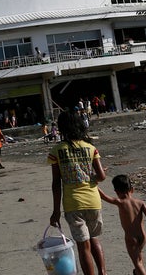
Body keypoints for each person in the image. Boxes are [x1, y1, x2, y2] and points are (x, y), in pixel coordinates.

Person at [48, 110, 107, 275]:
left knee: (83, 247)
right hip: (93, 201)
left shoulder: (57, 151)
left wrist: (55, 212)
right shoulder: (90, 148)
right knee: (94, 239)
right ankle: (103, 272)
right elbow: (101, 176)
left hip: (73, 204)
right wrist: (91, 178)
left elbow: (56, 183)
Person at [99, 174, 146, 275]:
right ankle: (137, 273)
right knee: (139, 259)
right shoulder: (140, 203)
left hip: (131, 239)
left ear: (116, 191)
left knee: (137, 263)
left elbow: (104, 196)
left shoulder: (119, 202)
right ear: (132, 189)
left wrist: (94, 184)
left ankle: (139, 272)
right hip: (142, 237)